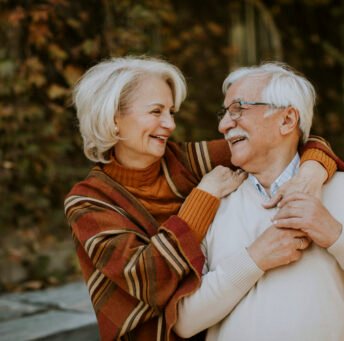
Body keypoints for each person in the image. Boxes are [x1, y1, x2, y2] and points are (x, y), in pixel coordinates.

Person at [64, 56, 341, 340]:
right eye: (156, 111)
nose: (170, 124)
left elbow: (283, 142)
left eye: (171, 111)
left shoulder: (185, 161)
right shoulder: (89, 200)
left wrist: (310, 174)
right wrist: (203, 197)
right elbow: (147, 277)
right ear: (113, 119)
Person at [174, 62, 344, 341]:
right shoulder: (212, 203)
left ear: (287, 120)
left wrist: (334, 235)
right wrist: (254, 260)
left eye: (238, 109)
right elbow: (183, 321)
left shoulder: (341, 191)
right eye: (224, 113)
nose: (223, 124)